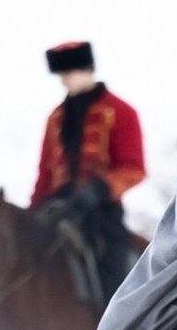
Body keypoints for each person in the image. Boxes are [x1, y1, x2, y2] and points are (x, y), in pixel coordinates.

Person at [29, 39, 146, 297]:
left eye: (69, 73)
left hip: (101, 211)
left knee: (111, 273)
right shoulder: (55, 117)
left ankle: (112, 326)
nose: (64, 80)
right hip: (57, 208)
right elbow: (45, 174)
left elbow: (134, 168)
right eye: (61, 75)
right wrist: (32, 212)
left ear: (88, 69)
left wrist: (99, 189)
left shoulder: (120, 111)